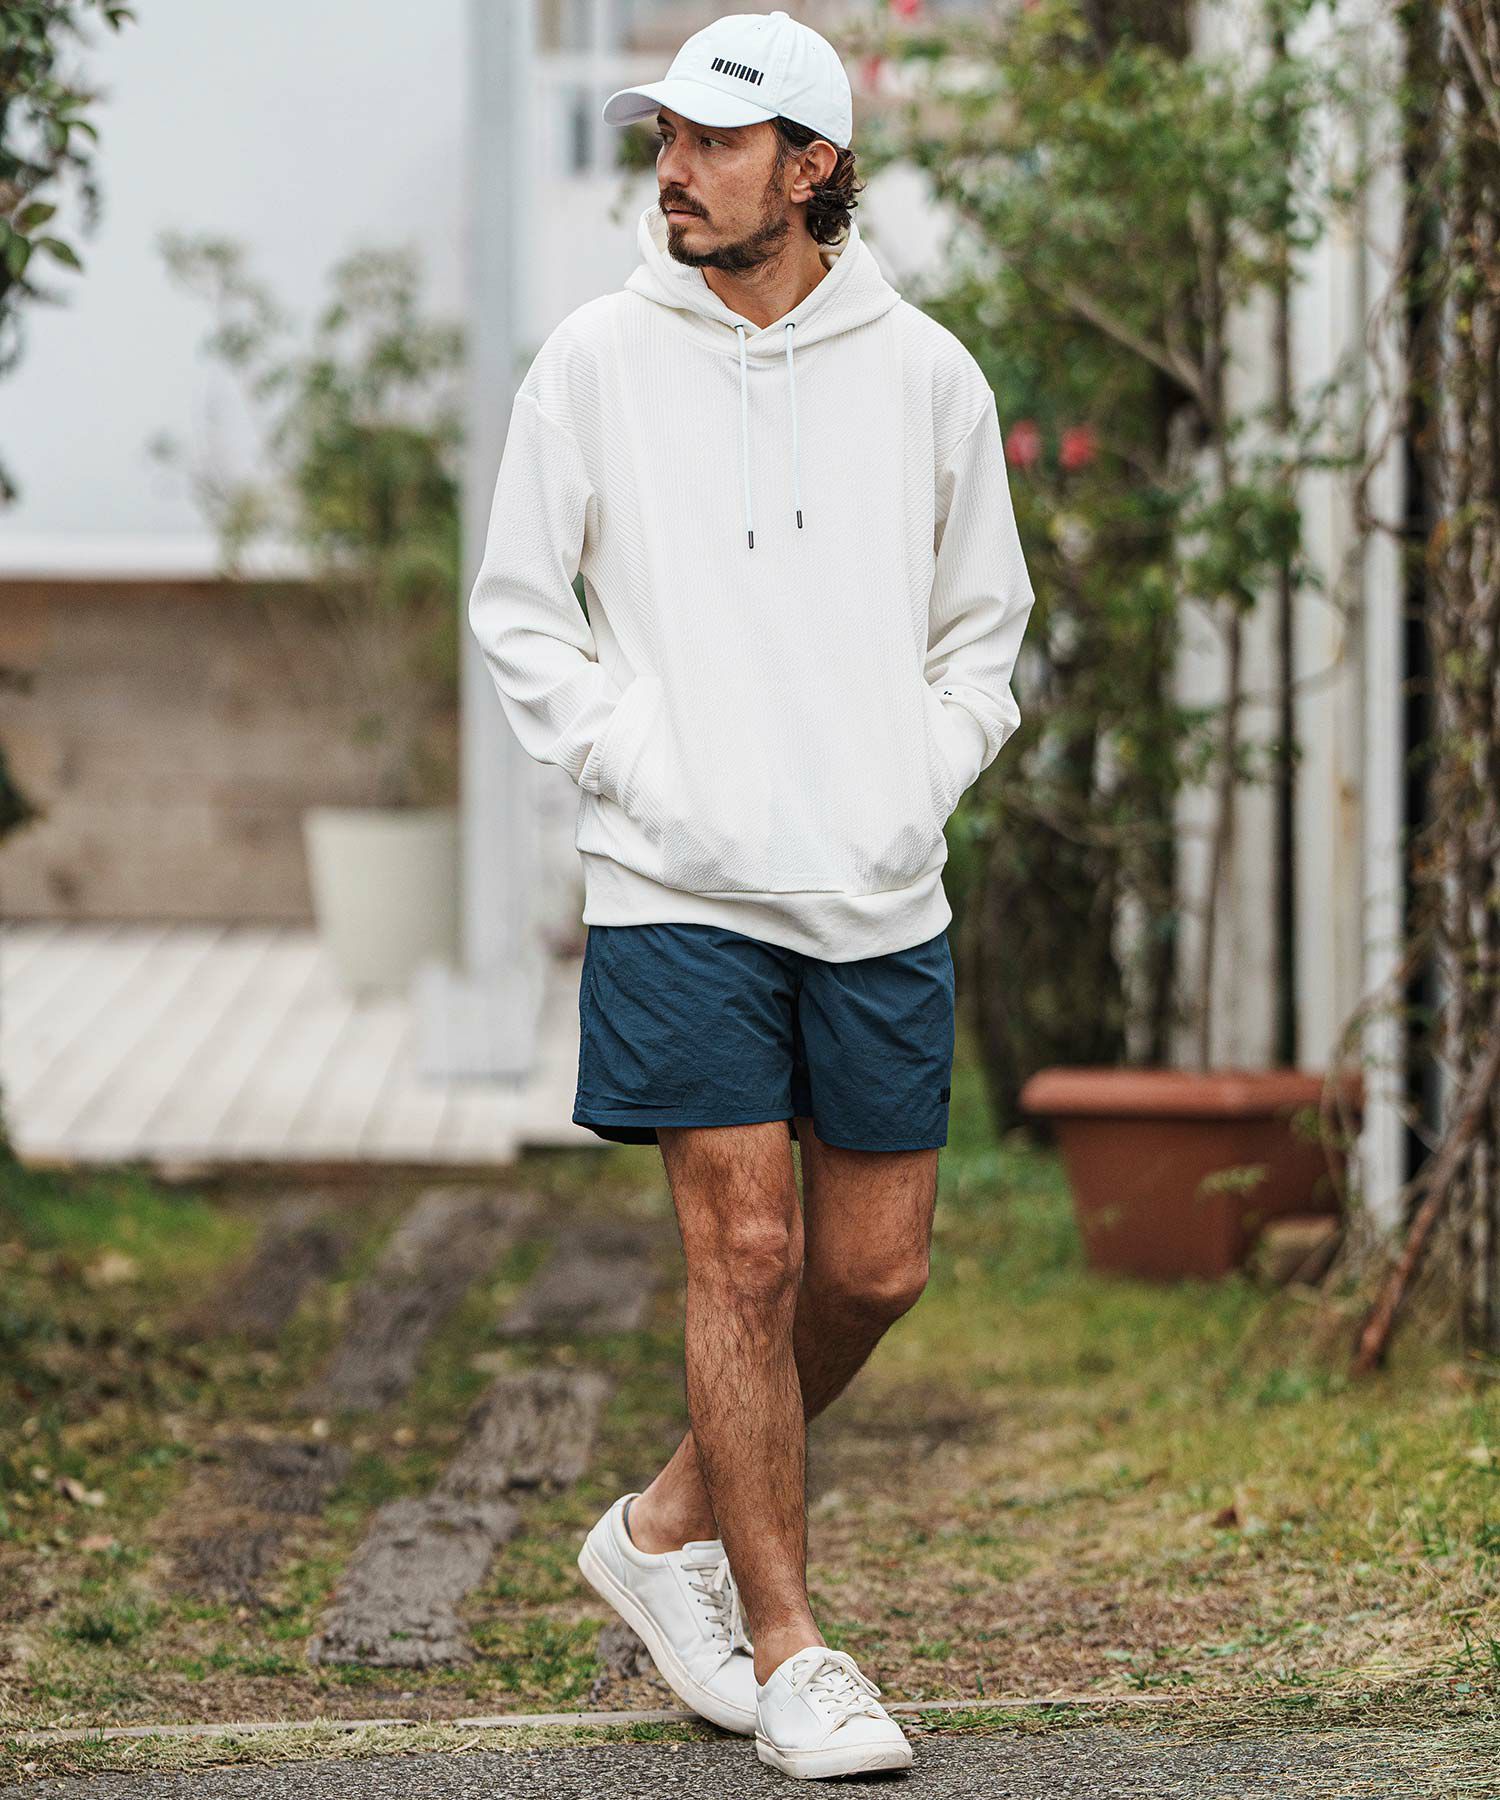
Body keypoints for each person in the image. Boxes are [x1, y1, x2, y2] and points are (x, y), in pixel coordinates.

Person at [467, 7, 1036, 1780]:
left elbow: (984, 635)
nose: (675, 171)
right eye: (664, 140)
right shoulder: (593, 361)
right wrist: (643, 766)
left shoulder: (926, 375)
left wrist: (911, 777)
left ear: (811, 167)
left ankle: (660, 1531)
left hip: (877, 890)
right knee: (748, 1251)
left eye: (714, 143)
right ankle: (790, 1648)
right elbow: (520, 611)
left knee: (871, 1272)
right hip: (677, 884)